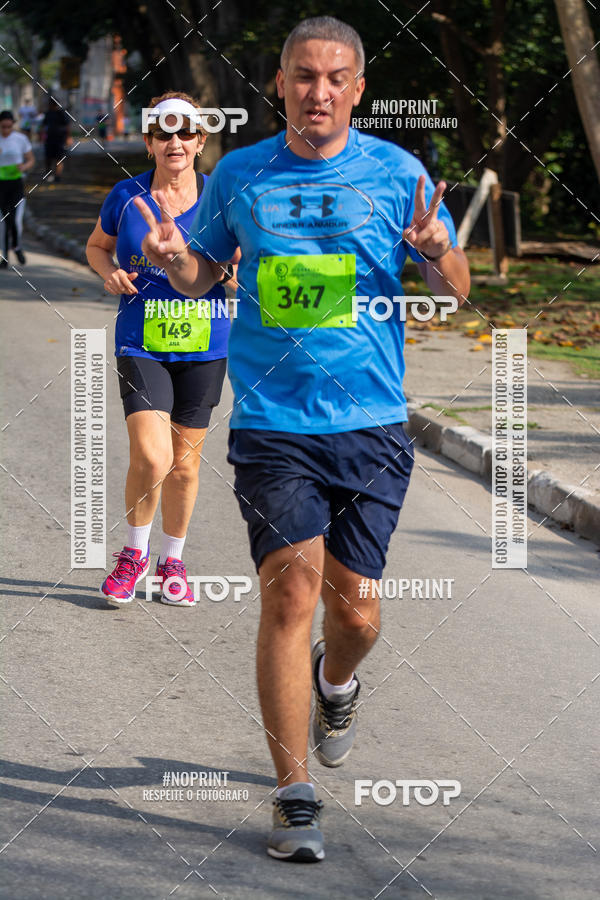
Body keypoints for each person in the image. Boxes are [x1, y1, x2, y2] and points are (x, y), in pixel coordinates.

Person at [135, 18, 470, 861]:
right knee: (290, 593)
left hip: (370, 424)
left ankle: (337, 678)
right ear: (280, 84)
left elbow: (454, 292)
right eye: (303, 76)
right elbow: (203, 272)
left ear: (358, 88)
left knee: (357, 611)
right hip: (272, 426)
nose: (319, 91)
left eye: (335, 77)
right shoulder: (241, 174)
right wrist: (173, 260)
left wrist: (437, 253)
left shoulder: (398, 174)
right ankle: (293, 795)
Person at [86, 91, 235, 608]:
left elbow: (240, 268)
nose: (175, 141)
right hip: (140, 340)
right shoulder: (126, 196)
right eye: (163, 133)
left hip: (205, 344)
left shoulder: (221, 198)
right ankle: (134, 555)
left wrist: (219, 270)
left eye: (185, 132)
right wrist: (109, 274)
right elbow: (97, 246)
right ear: (149, 142)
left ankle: (173, 562)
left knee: (186, 466)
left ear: (200, 141)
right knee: (153, 456)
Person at [0, 110, 34, 267]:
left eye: (9, 126)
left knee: (15, 220)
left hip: (16, 185)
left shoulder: (20, 139)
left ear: (13, 125)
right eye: (3, 127)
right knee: (4, 222)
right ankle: (5, 257)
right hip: (1, 185)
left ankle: (17, 246)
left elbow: (31, 159)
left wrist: (24, 167)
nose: (6, 130)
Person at [41, 98, 70, 183]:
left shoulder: (61, 113)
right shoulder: (48, 113)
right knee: (48, 158)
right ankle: (48, 174)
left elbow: (67, 126)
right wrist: (42, 136)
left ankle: (57, 176)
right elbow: (44, 125)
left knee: (59, 158)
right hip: (49, 139)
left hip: (60, 139)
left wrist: (68, 138)